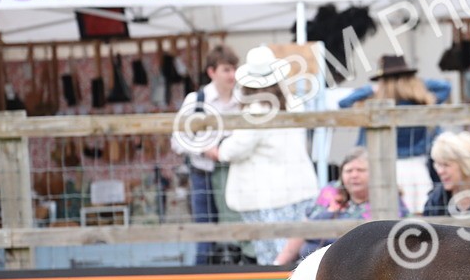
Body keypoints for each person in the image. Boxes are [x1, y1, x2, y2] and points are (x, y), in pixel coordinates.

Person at [203, 47, 318, 266]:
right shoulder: (294, 103)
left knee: (275, 260)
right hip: (299, 188)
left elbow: (235, 148)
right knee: (302, 258)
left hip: (270, 197)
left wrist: (215, 150)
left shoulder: (256, 110)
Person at [338, 54, 452, 214]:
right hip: (416, 168)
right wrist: (415, 83)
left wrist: (370, 88)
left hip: (384, 167)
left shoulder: (376, 106)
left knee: (388, 217)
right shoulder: (421, 102)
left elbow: (343, 103)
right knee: (419, 217)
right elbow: (446, 87)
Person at [273, 147, 409, 264]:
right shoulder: (330, 192)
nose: (354, 175)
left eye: (360, 170)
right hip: (313, 260)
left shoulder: (388, 199)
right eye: (349, 171)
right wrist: (278, 264)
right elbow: (305, 226)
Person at [170, 44, 240, 265]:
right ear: (212, 72)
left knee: (238, 230)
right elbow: (177, 140)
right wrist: (204, 149)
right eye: (226, 70)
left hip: (235, 173)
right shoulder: (197, 100)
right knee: (205, 230)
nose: (232, 75)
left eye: (234, 69)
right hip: (203, 173)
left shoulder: (243, 98)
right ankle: (201, 276)